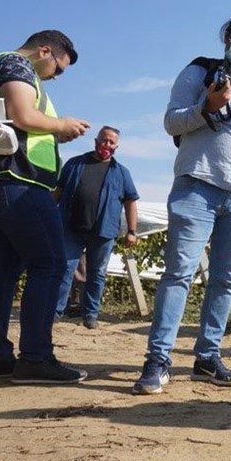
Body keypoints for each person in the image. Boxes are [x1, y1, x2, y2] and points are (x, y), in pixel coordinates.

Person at [133, 11, 231, 395]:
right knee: (178, 274)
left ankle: (207, 356)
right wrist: (208, 106)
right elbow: (172, 122)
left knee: (224, 280)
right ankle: (158, 358)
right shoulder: (197, 72)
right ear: (225, 39)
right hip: (197, 184)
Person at [0, 29, 91, 384]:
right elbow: (22, 115)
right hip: (16, 181)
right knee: (51, 265)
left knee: (3, 269)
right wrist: (61, 125)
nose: (55, 77)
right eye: (58, 68)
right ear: (45, 51)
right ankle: (36, 359)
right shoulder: (16, 64)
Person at [54, 126, 139, 329]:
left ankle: (91, 314)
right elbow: (58, 192)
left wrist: (132, 231)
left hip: (104, 231)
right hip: (72, 227)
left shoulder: (121, 173)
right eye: (104, 140)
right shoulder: (74, 164)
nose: (106, 145)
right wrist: (48, 215)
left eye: (111, 142)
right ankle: (55, 311)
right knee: (65, 269)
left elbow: (130, 202)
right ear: (95, 141)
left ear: (116, 146)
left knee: (97, 273)